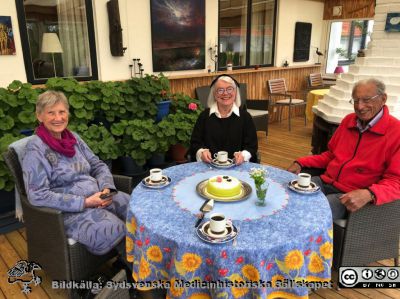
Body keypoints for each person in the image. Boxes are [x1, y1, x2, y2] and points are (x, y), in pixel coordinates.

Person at [22, 90, 130, 255]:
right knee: (114, 229)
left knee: (135, 208)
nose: (58, 118)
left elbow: (97, 165)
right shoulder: (35, 150)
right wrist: (85, 202)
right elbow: (37, 194)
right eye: (51, 113)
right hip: (70, 211)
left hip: (98, 196)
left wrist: (107, 189)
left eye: (62, 112)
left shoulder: (73, 138)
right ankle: (137, 272)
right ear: (39, 116)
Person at [287, 78, 400, 220]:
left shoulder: (396, 132)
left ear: (383, 99)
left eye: (366, 100)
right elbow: (331, 156)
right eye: (356, 100)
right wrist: (301, 162)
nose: (359, 106)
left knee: (307, 215)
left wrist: (369, 193)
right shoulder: (349, 121)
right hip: (324, 181)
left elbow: (396, 181)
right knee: (286, 198)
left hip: (349, 195)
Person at [190, 74, 258, 165]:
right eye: (220, 90)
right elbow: (195, 143)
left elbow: (252, 146)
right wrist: (201, 152)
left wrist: (243, 155)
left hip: (237, 168)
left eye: (229, 89)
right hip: (209, 168)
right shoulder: (204, 117)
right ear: (214, 94)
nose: (225, 93)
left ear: (236, 92)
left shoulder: (245, 117)